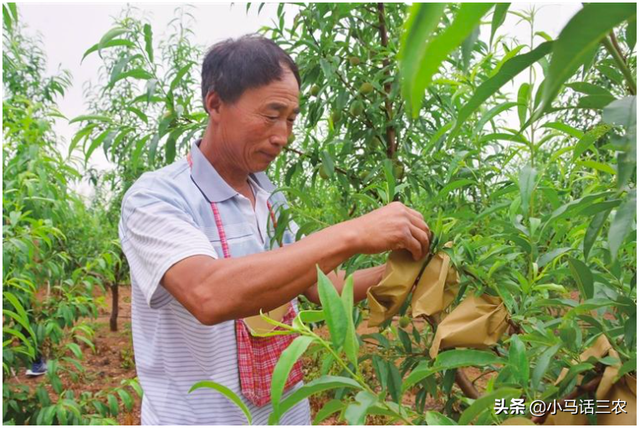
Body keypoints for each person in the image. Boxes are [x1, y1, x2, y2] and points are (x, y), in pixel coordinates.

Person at [118, 34, 431, 425]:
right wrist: (356, 233)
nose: (283, 136)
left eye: (291, 119)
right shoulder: (157, 197)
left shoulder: (270, 199)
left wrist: (406, 274)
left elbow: (325, 287)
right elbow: (208, 294)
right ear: (215, 103)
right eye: (271, 115)